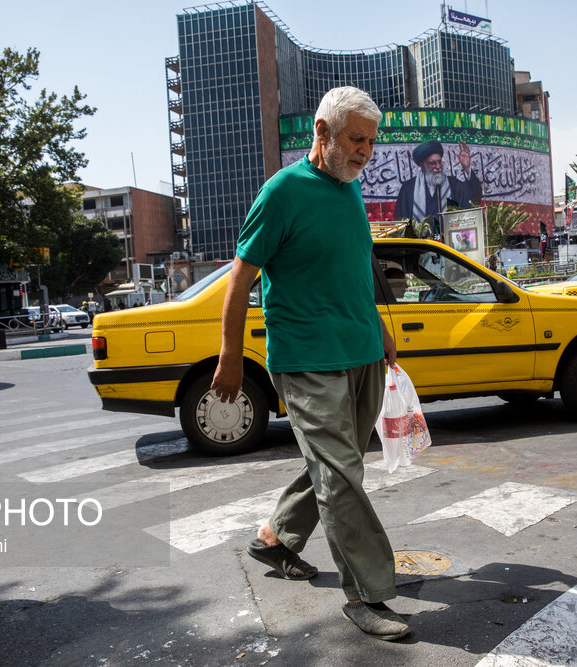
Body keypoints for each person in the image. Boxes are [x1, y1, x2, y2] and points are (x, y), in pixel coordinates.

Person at [210, 86, 410, 641]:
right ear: (322, 133)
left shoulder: (349, 188)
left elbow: (354, 266)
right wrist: (230, 358)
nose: (366, 151)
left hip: (362, 351)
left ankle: (275, 537)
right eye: (356, 139)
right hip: (307, 359)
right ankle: (367, 592)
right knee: (342, 474)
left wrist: (381, 329)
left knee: (336, 464)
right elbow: (240, 279)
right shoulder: (281, 193)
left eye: (371, 141)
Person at [393, 139, 482, 234]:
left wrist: (467, 168)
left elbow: (474, 197)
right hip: (419, 246)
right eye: (433, 163)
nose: (438, 166)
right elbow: (400, 223)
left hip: (447, 245)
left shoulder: (454, 185)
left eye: (440, 162)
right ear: (422, 165)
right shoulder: (408, 189)